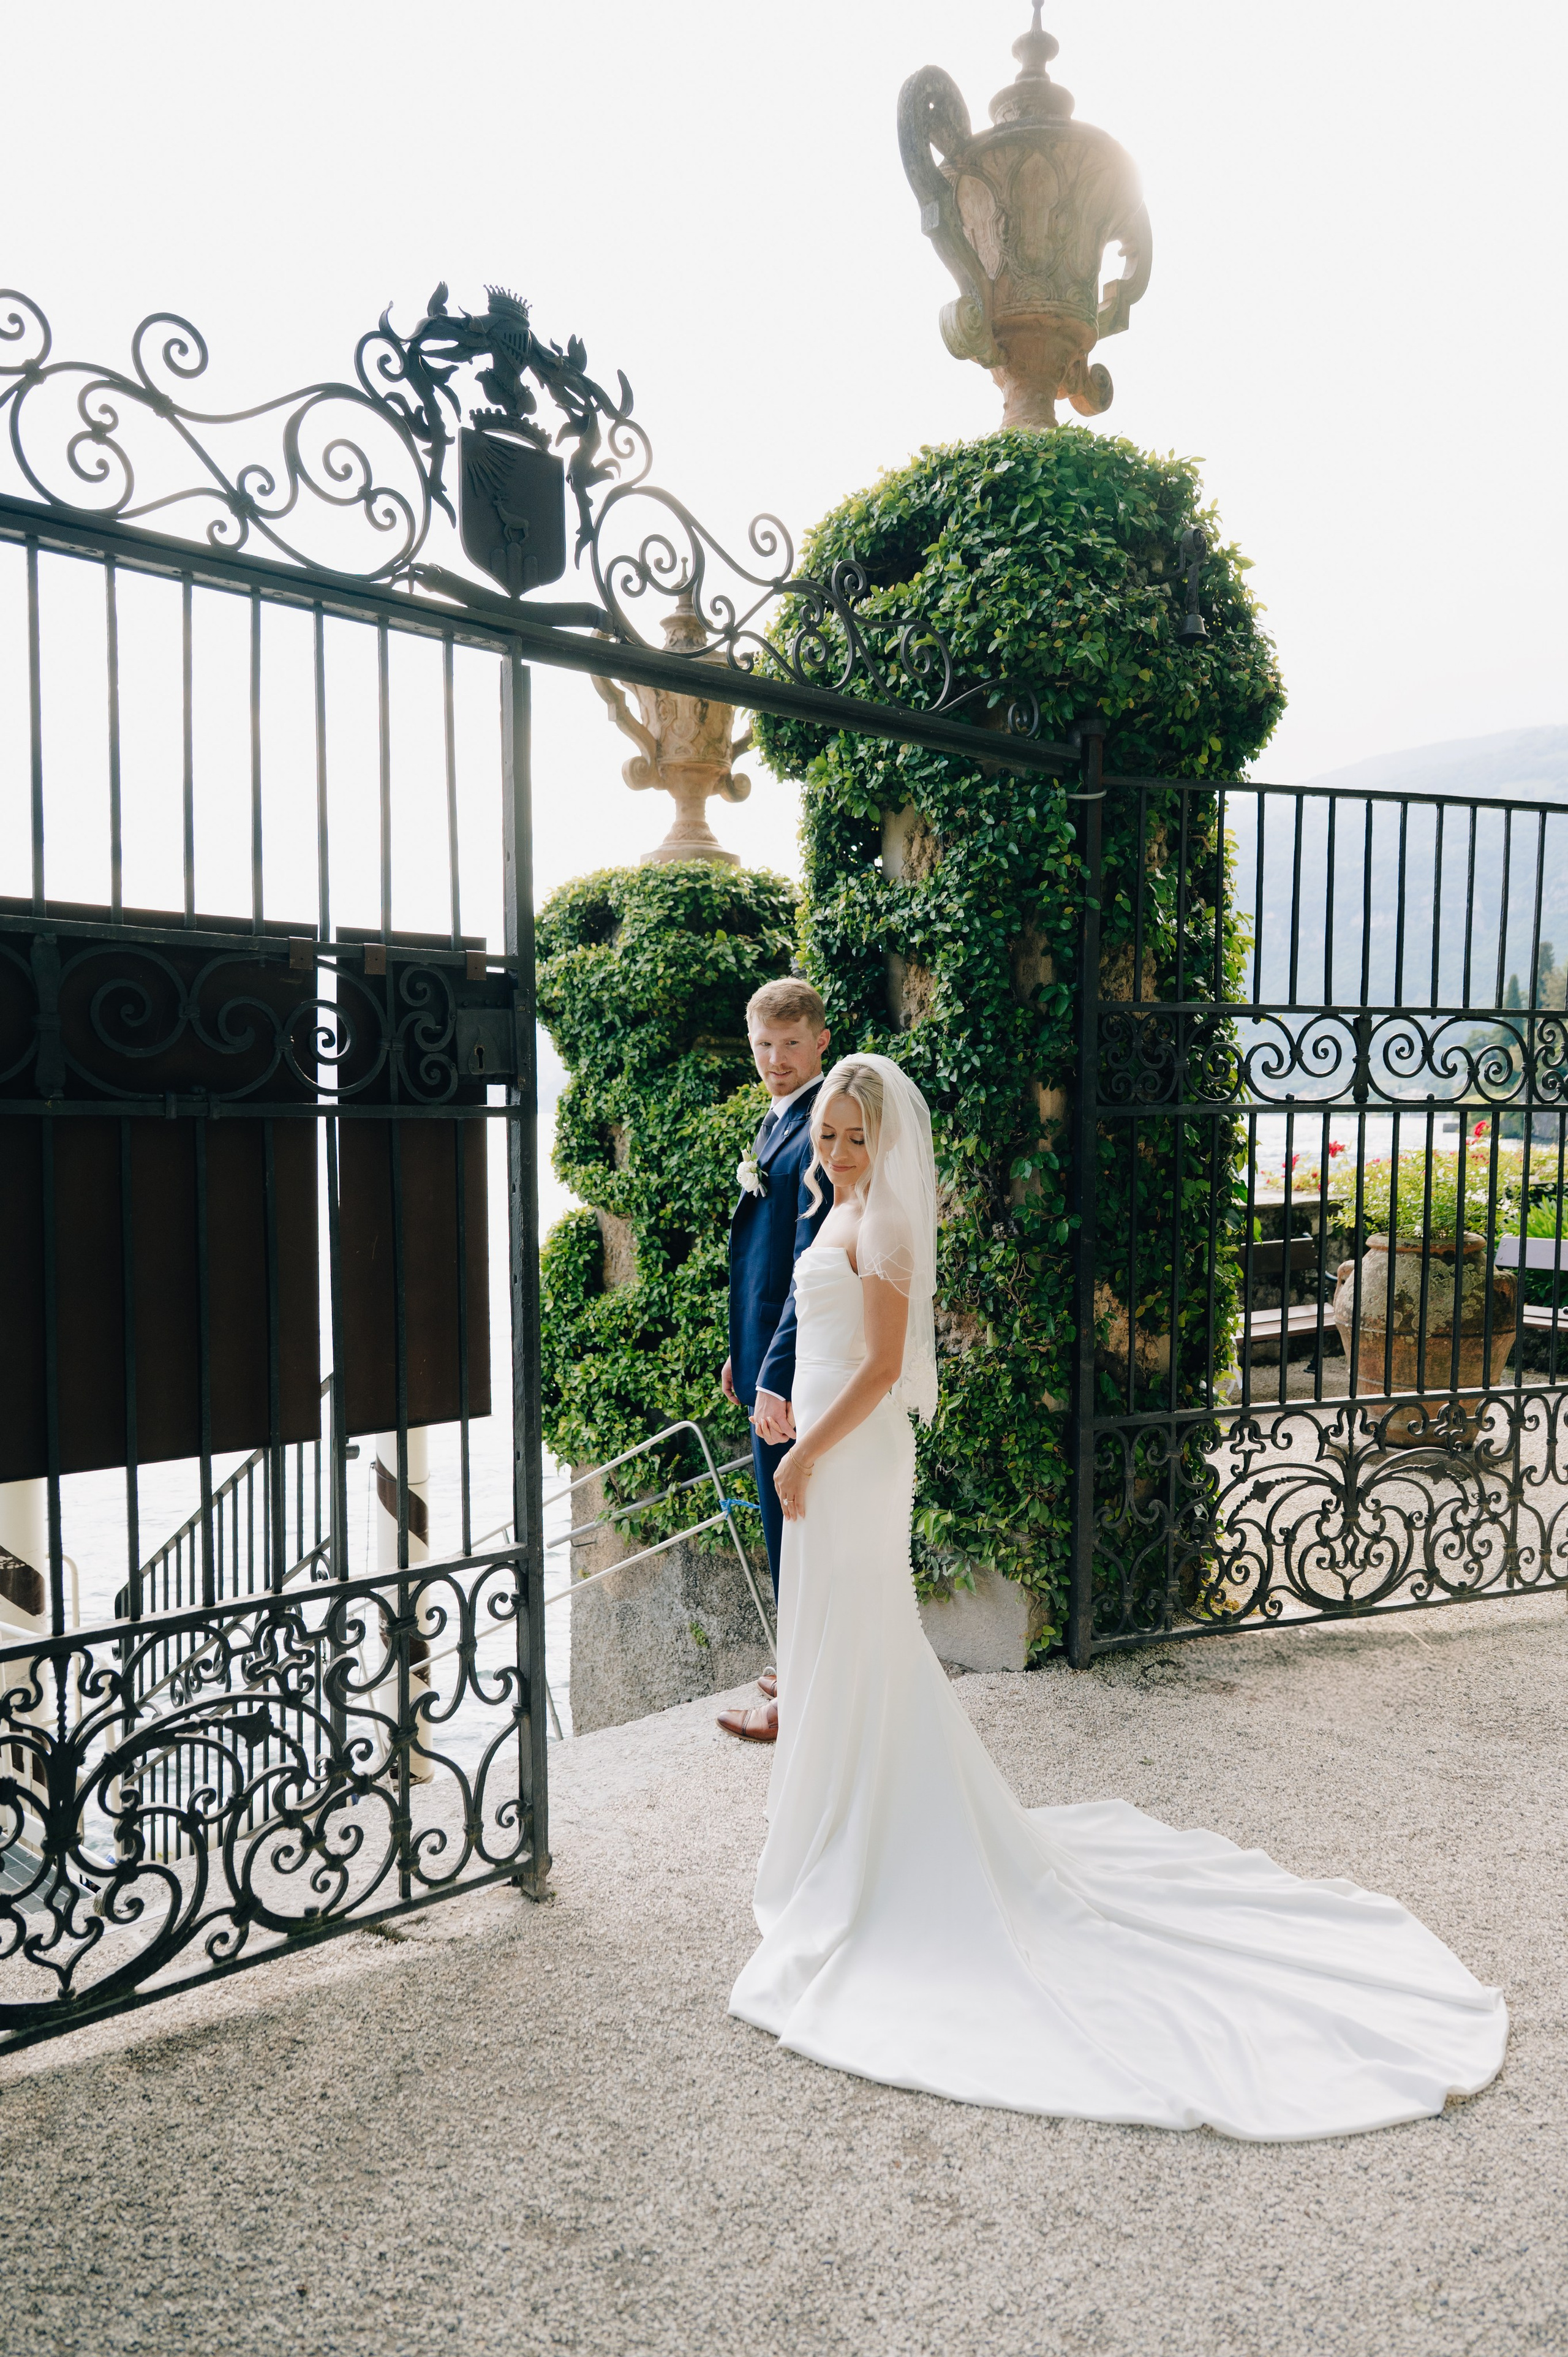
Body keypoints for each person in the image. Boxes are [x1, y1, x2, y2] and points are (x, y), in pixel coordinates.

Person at [728, 1054, 1509, 2138]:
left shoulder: (887, 1220)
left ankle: (878, 1838)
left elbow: (884, 1364)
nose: (839, 1150)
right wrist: (781, 1410)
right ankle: (829, 1829)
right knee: (828, 1637)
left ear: (887, 1139)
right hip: (814, 1440)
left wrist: (810, 1449)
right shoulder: (836, 1205)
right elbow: (815, 1331)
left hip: (850, 1453)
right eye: (828, 1134)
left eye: (856, 1136)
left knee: (865, 1634)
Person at [716, 978, 831, 1744]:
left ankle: (802, 1694)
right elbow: (757, 1259)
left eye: (790, 1043)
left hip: (792, 1367)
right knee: (782, 1517)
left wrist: (774, 1374)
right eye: (763, 1044)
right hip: (762, 1351)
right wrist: (741, 1352)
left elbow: (808, 1265)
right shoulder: (775, 1118)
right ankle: (801, 1660)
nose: (775, 1059)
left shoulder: (824, 1124)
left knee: (794, 1523)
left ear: (820, 1041)